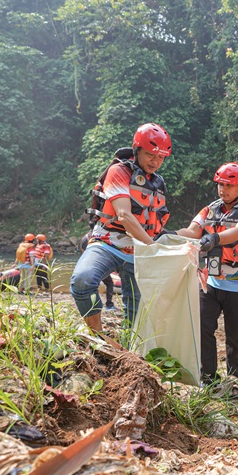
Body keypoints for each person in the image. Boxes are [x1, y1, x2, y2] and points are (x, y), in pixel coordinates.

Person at [70, 123, 171, 331]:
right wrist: (153, 246)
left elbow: (157, 222)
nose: (156, 161)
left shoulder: (158, 183)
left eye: (161, 157)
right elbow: (124, 215)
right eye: (151, 155)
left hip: (139, 251)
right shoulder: (119, 171)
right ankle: (97, 336)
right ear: (137, 150)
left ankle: (129, 350)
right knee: (82, 281)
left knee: (137, 319)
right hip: (108, 242)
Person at [176, 162, 238, 390]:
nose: (223, 190)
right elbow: (193, 231)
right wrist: (168, 236)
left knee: (236, 335)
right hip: (212, 283)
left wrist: (215, 238)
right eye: (220, 185)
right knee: (203, 325)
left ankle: (234, 378)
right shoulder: (210, 209)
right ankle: (208, 378)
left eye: (229, 185)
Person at [78, 232, 117, 312]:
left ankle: (92, 305)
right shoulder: (97, 237)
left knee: (93, 285)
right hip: (99, 264)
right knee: (109, 283)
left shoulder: (84, 238)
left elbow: (82, 251)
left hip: (87, 264)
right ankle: (109, 304)